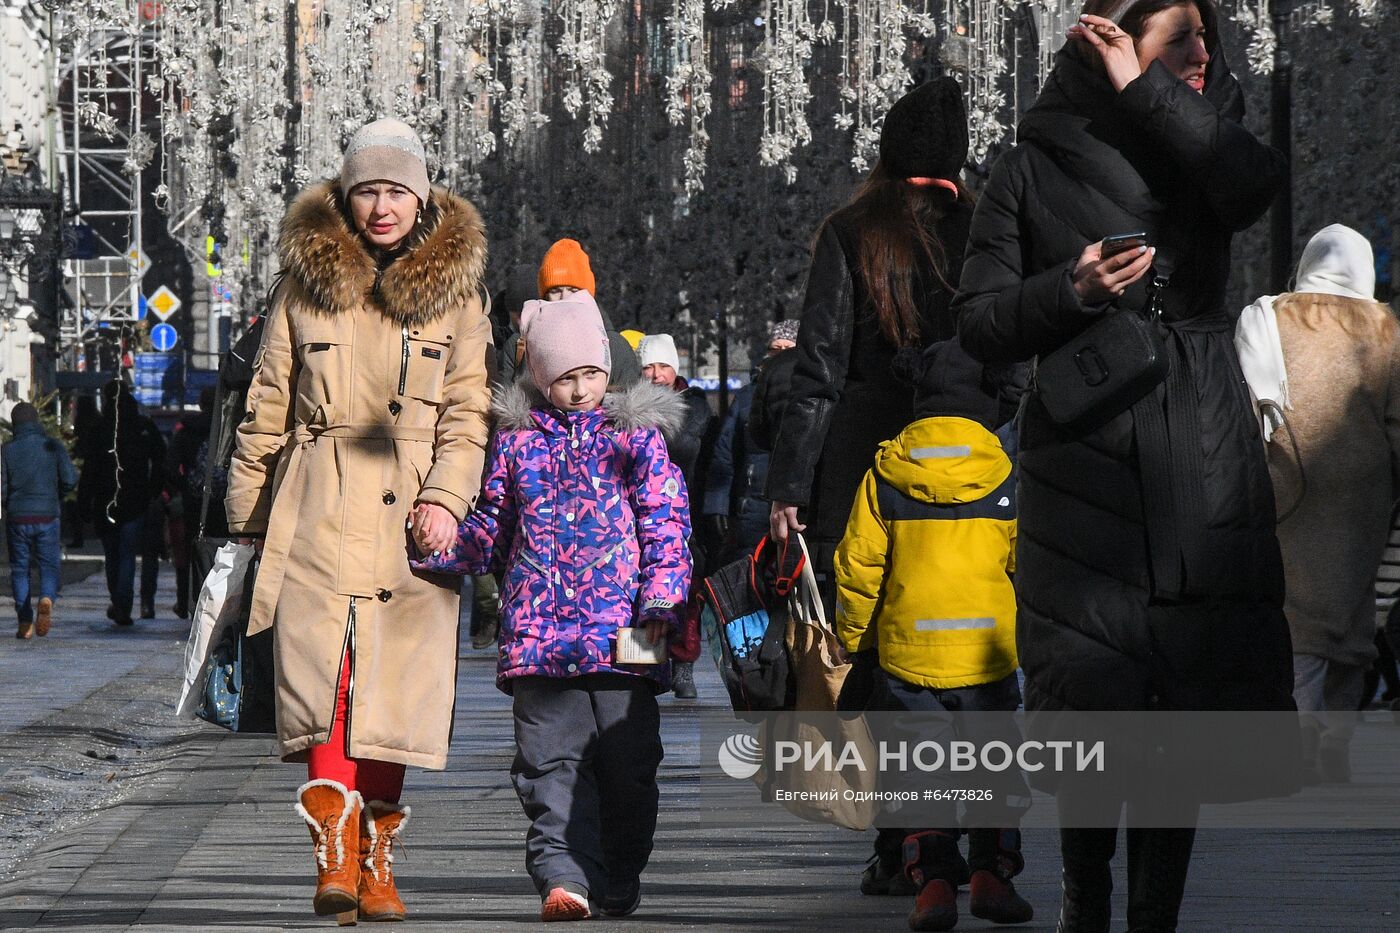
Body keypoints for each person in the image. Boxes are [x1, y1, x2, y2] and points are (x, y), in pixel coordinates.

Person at [953, 3, 1296, 929]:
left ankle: (1154, 914)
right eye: (1177, 35)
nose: (1201, 52)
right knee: (1092, 695)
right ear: (1114, 39)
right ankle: (1084, 893)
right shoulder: (1030, 165)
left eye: (1204, 35)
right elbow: (979, 321)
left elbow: (1254, 183)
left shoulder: (1205, 148)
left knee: (1182, 703)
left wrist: (1150, 93)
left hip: (1199, 451)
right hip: (1085, 459)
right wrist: (1068, 290)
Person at [225, 118, 494, 923]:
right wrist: (246, 519)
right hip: (313, 504)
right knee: (328, 686)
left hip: (411, 518)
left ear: (422, 197)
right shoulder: (301, 287)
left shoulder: (458, 296)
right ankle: (333, 856)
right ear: (345, 196)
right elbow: (266, 403)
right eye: (367, 190)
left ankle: (378, 858)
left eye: (397, 190)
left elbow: (468, 410)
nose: (382, 206)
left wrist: (447, 497)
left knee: (394, 694)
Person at [410, 295, 691, 922]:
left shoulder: (635, 440)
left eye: (590, 373)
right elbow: (492, 528)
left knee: (629, 765)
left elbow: (666, 522)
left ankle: (618, 870)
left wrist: (662, 601)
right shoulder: (517, 448)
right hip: (539, 635)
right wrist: (436, 550)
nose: (580, 389)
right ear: (540, 378)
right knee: (548, 767)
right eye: (565, 377)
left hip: (632, 630)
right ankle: (563, 874)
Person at [835, 339, 1030, 932]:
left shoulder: (887, 475)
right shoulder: (1004, 475)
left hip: (906, 660)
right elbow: (1028, 563)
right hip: (990, 657)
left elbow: (858, 565)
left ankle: (934, 887)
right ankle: (993, 873)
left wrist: (856, 642)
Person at [765, 76, 975, 621]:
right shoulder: (985, 232)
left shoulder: (851, 230)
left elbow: (819, 369)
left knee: (857, 627)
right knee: (953, 620)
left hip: (859, 469)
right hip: (966, 459)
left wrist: (790, 487)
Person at [1236, 223, 1400, 783]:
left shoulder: (1273, 315)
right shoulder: (1385, 328)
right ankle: (1335, 743)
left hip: (1286, 483)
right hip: (1362, 497)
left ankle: (1299, 743)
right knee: (1351, 618)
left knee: (1295, 618)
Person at [638, 332, 716, 699]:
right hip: (643, 512)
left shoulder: (695, 407)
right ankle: (647, 668)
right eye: (648, 367)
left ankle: (684, 664)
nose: (655, 374)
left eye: (663, 366)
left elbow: (687, 448)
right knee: (642, 592)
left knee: (684, 593)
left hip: (688, 513)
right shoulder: (632, 407)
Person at [702, 320, 799, 563]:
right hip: (750, 512)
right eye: (776, 349)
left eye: (789, 350)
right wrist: (717, 505)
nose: (781, 357)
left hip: (793, 510)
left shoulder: (809, 399)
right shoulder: (747, 397)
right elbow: (724, 457)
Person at [76, 380, 166, 627]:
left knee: (112, 554)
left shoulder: (100, 430)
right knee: (126, 554)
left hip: (106, 501)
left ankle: (118, 600)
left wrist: (84, 502)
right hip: (136, 500)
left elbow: (89, 470)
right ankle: (123, 603)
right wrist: (153, 489)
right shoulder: (142, 426)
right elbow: (160, 459)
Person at [3, 402, 78, 639]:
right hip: (47, 514)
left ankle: (25, 621)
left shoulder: (6, 450)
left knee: (20, 568)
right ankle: (46, 597)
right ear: (36, 422)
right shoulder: (53, 446)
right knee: (49, 565)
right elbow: (69, 478)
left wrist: (10, 505)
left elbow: (2, 488)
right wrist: (57, 496)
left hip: (18, 516)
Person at [532, 238, 642, 389]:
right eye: (555, 291)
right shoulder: (529, 345)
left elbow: (631, 405)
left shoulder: (614, 346)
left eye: (573, 290)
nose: (565, 298)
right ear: (544, 296)